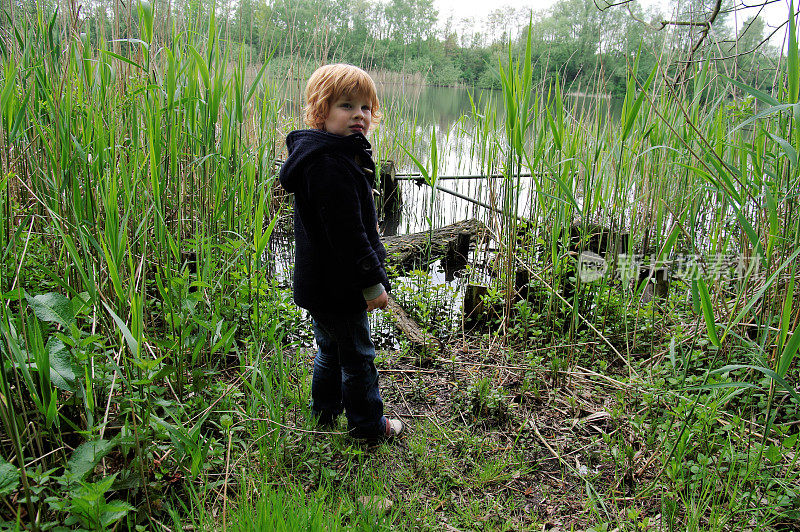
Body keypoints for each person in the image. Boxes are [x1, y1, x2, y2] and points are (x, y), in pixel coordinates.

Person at [278, 64, 403, 440]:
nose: (359, 116)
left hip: (321, 283)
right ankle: (368, 427)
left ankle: (324, 414)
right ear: (321, 111)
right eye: (347, 106)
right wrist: (370, 285)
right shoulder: (330, 164)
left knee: (329, 349)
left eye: (365, 107)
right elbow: (348, 240)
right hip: (340, 286)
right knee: (358, 357)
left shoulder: (324, 154)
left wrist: (370, 224)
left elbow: (341, 221)